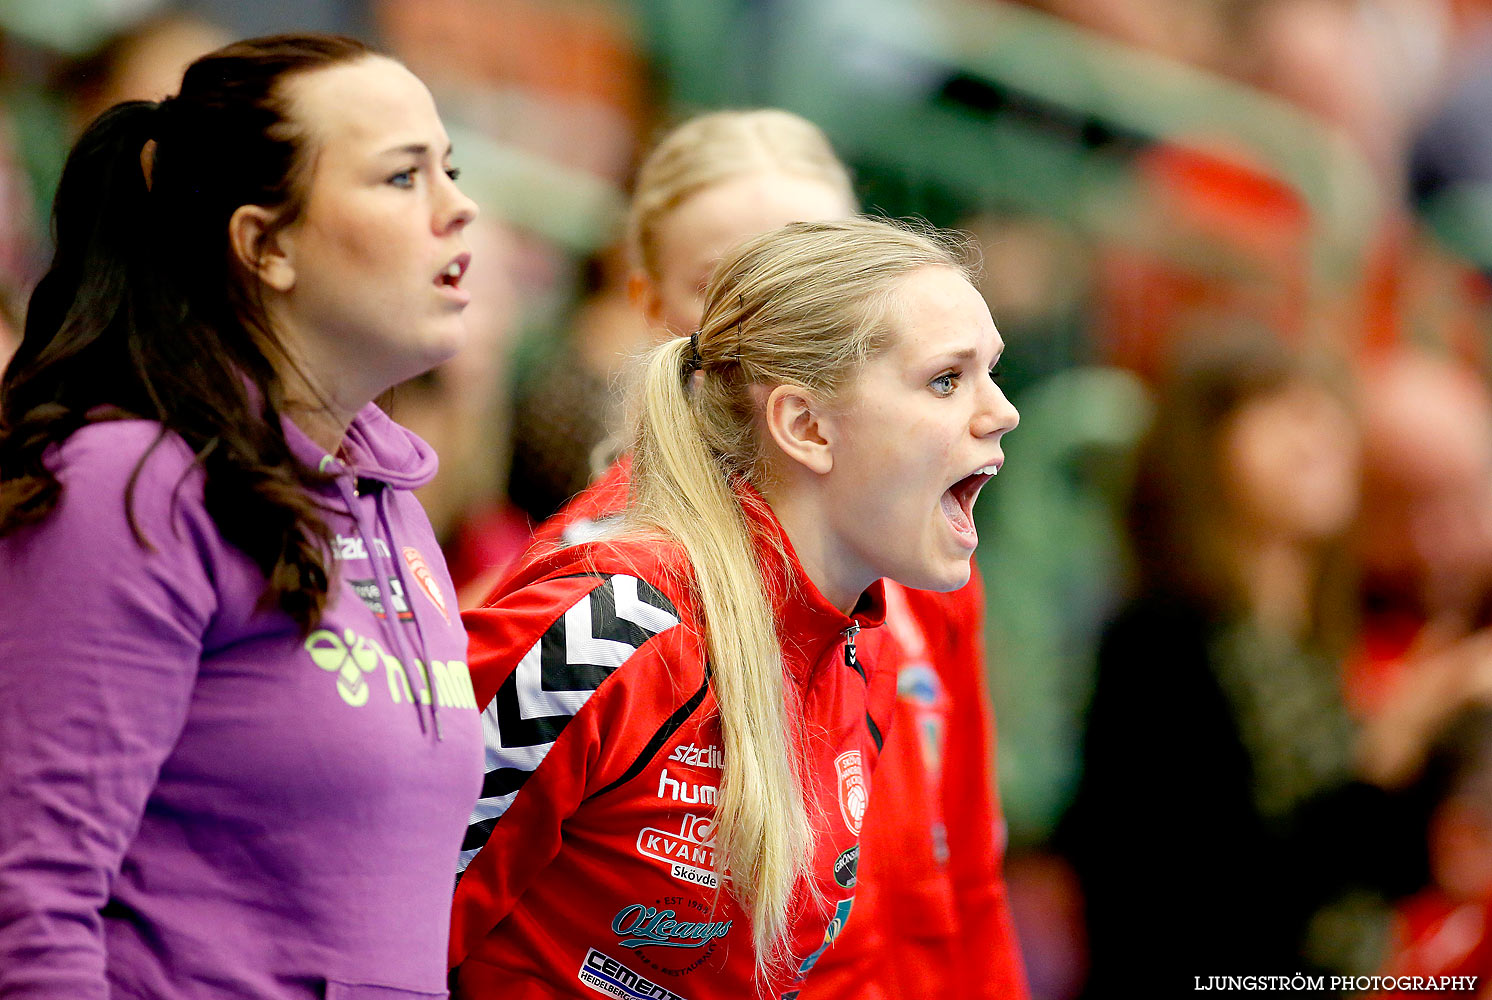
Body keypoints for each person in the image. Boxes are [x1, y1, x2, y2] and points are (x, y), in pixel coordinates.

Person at [0, 34, 484, 997]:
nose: (458, 206)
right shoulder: (131, 488)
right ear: (265, 244)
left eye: (450, 168)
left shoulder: (394, 506)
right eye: (401, 177)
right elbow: (28, 903)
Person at [520, 108, 1029, 998]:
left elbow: (970, 876)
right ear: (649, 311)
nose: (788, 298)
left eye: (817, 255)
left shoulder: (917, 562)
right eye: (730, 281)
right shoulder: (606, 605)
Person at [1061, 334, 1432, 992]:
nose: (1319, 437)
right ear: (1203, 447)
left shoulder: (1300, 640)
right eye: (1284, 411)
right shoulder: (1161, 642)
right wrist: (1397, 743)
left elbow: (1367, 868)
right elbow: (1199, 900)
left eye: (1326, 413)